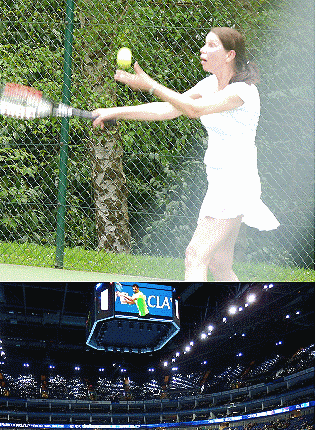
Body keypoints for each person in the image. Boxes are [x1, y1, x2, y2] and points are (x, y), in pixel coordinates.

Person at [91, 27, 277, 280]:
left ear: (229, 55)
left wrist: (151, 85)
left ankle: (198, 318)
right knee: (220, 265)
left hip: (236, 183)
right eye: (204, 44)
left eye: (212, 45)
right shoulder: (209, 84)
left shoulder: (242, 92)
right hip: (220, 181)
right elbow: (167, 109)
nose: (203, 49)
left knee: (195, 255)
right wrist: (114, 111)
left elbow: (192, 109)